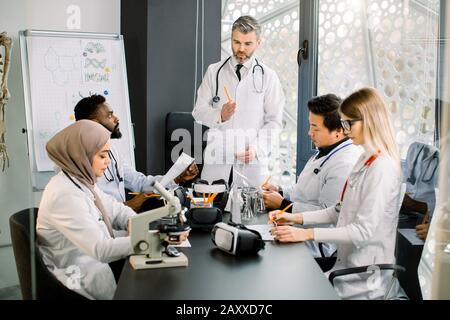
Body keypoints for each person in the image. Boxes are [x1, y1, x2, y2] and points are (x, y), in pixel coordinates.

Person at [270, 88, 402, 300]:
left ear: (369, 121)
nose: (345, 129)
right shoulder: (365, 160)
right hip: (344, 265)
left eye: (349, 123)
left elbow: (362, 232)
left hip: (364, 276)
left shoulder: (383, 168)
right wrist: (293, 217)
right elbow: (338, 210)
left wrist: (307, 233)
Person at [36, 120, 136, 299]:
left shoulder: (81, 180)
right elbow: (101, 250)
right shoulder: (64, 194)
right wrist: (148, 239)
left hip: (91, 260)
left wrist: (136, 223)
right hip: (77, 276)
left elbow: (116, 209)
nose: (108, 162)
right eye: (103, 156)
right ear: (82, 155)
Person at [262, 94, 362, 257]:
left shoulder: (345, 164)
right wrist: (280, 191)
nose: (309, 133)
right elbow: (304, 190)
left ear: (338, 131)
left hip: (318, 244)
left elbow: (328, 213)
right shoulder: (325, 151)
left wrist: (283, 204)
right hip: (298, 227)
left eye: (315, 128)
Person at [192, 15, 285, 187]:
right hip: (218, 159)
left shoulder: (268, 77)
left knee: (250, 210)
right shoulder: (214, 72)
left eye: (248, 44)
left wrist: (257, 148)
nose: (241, 49)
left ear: (258, 42)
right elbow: (198, 112)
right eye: (236, 42)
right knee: (213, 210)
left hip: (251, 162)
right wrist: (220, 114)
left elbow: (274, 121)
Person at [74, 94, 199, 212]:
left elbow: (138, 182)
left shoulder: (113, 151)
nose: (117, 119)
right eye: (110, 116)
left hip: (121, 222)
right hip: (102, 227)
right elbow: (87, 209)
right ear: (93, 123)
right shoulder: (77, 162)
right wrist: (127, 206)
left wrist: (177, 178)